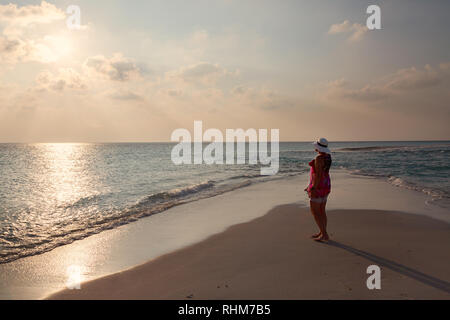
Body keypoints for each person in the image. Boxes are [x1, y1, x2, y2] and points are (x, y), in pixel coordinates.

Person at [305, 138, 332, 242]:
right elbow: (322, 174)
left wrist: (313, 188)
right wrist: (309, 185)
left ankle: (324, 235)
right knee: (321, 210)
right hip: (326, 184)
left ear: (318, 147)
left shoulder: (319, 159)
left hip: (319, 186)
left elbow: (318, 175)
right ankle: (322, 231)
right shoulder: (328, 157)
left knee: (315, 212)